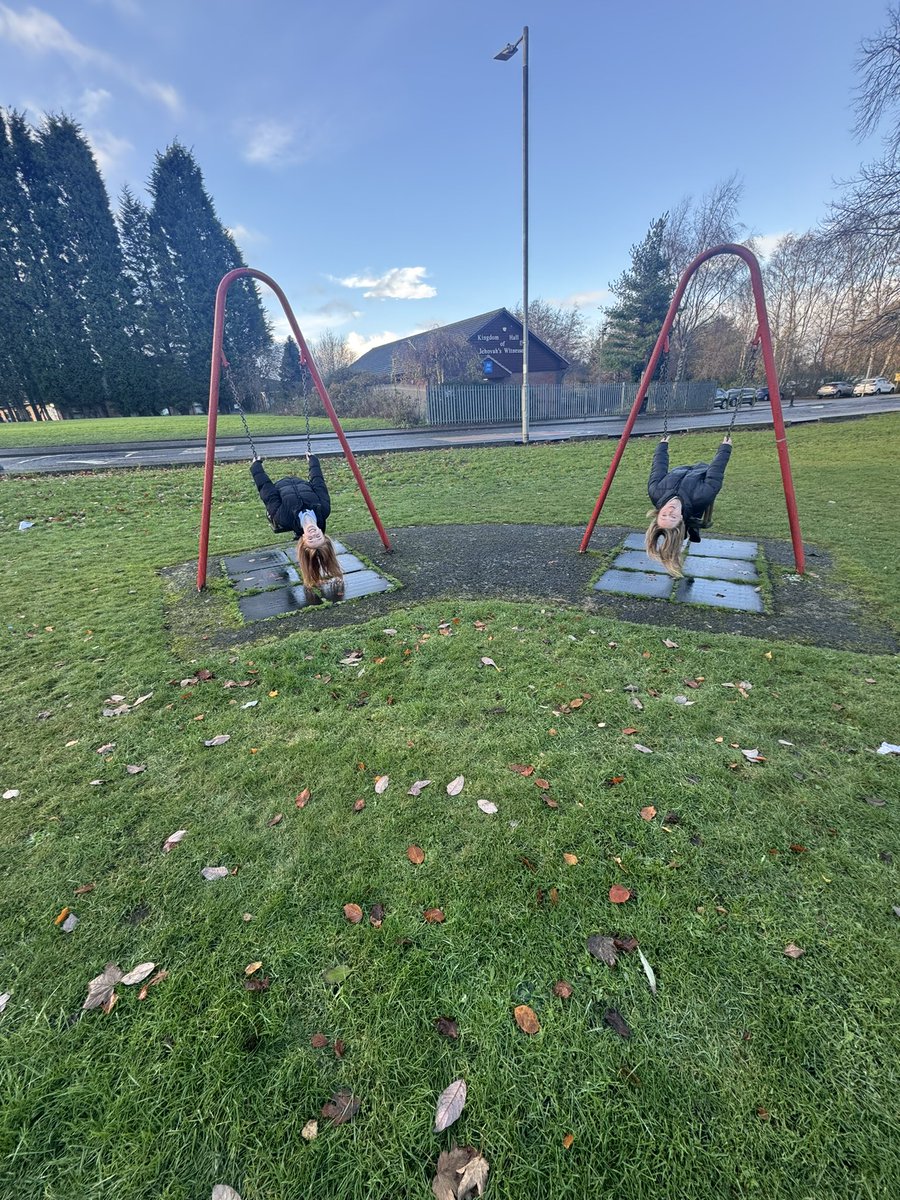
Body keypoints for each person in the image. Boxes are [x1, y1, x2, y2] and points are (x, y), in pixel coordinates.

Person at [250, 454, 344, 599]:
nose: (313, 533)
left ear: (303, 539)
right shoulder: (323, 509)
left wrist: (256, 466)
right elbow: (319, 483)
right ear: (322, 534)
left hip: (281, 485)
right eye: (318, 536)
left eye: (311, 539)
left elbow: (267, 491)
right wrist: (313, 461)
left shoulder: (284, 518)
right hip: (300, 482)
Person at [645, 435, 732, 577]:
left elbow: (658, 468)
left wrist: (662, 446)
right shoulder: (703, 495)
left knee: (685, 520)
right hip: (700, 476)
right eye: (673, 517)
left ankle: (690, 531)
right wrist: (725, 448)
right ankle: (691, 529)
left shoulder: (656, 492)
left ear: (658, 512)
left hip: (680, 471)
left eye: (664, 515)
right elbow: (716, 471)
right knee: (693, 512)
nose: (669, 510)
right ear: (680, 518)